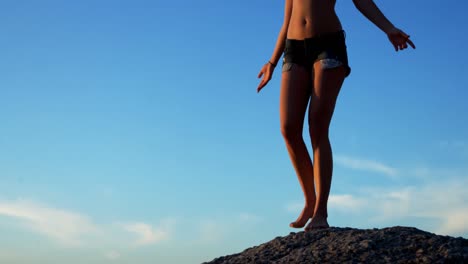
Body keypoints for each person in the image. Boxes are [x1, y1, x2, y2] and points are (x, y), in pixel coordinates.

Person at [256, 0, 415, 231]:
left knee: (317, 126)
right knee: (288, 128)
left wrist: (388, 28)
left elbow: (361, 1)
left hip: (328, 45)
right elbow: (287, 18)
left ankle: (321, 210)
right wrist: (272, 61)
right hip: (294, 48)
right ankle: (309, 201)